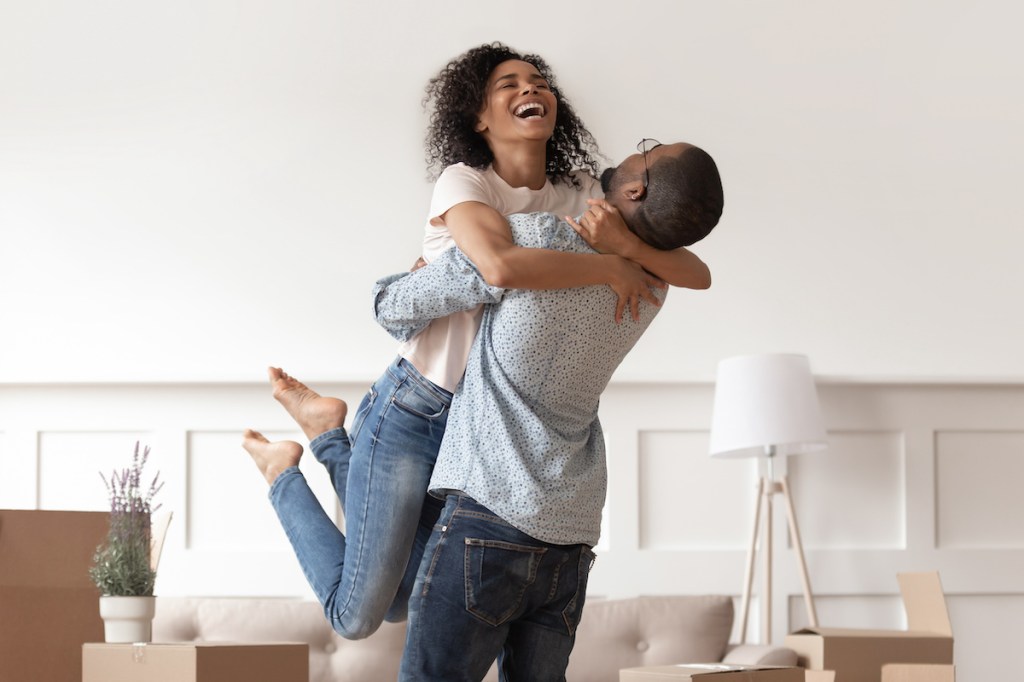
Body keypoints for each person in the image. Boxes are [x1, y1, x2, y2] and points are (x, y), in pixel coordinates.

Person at [242, 43, 708, 641]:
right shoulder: (464, 183)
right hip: (415, 407)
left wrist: (633, 250)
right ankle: (284, 470)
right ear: (480, 118)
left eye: (538, 81)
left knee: (401, 601)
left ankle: (329, 433)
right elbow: (497, 265)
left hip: (481, 429)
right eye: (507, 84)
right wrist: (610, 267)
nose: (528, 89)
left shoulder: (580, 192)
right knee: (359, 615)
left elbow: (697, 274)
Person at [370, 140, 724, 681]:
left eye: (648, 151)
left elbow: (392, 307)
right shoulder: (653, 285)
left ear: (635, 190)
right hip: (570, 535)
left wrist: (415, 273)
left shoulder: (530, 240)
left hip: (489, 511)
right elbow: (696, 270)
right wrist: (621, 250)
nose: (635, 149)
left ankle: (324, 446)